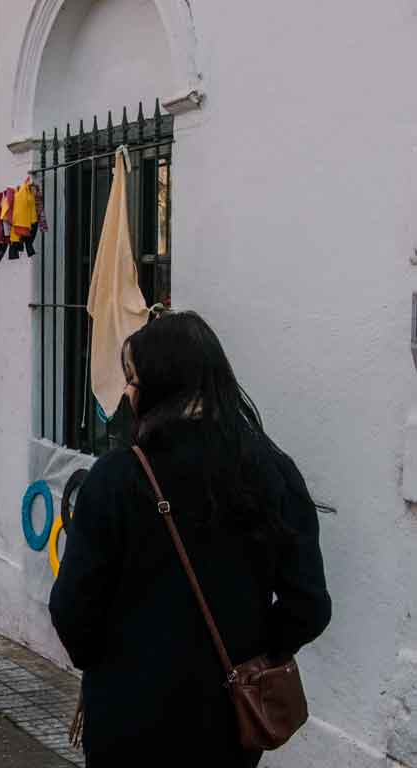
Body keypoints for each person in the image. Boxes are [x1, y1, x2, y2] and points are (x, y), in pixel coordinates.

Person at [49, 311, 331, 767]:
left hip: (127, 716)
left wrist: (107, 664)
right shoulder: (272, 470)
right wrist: (255, 652)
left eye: (134, 380)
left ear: (162, 384)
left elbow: (72, 609)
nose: (127, 392)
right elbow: (310, 605)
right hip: (227, 723)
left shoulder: (118, 478)